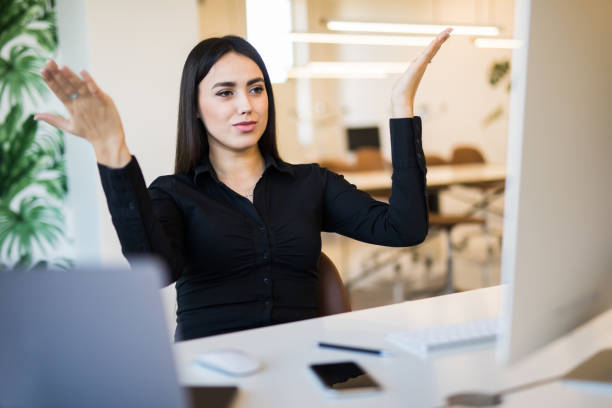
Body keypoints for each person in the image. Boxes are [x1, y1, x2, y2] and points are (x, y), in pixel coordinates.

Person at [36, 29, 452, 341]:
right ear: (195, 108)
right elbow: (155, 271)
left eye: (256, 89)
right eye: (225, 92)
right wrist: (113, 150)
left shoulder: (310, 183)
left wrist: (401, 108)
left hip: (305, 370)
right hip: (213, 375)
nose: (245, 105)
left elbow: (406, 228)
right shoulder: (174, 194)